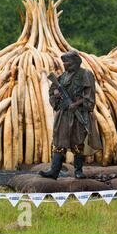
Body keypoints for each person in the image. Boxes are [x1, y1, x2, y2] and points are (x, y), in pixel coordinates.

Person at [39, 50, 102, 179]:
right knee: (58, 142)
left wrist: (77, 104)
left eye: (67, 62)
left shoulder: (85, 74)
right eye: (64, 62)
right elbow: (52, 91)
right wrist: (56, 94)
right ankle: (54, 171)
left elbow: (89, 96)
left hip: (78, 115)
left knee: (78, 141)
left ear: (74, 62)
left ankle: (78, 171)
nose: (64, 64)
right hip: (63, 115)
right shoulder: (62, 77)